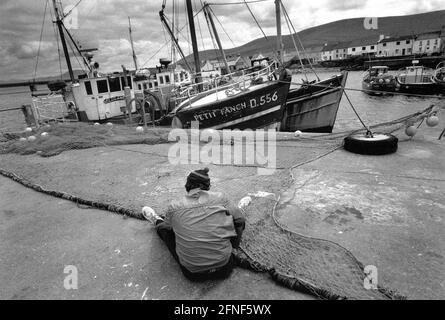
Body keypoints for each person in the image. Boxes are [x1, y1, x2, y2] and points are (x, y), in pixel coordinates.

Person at [142, 168, 245, 282]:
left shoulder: (174, 207)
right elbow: (240, 221)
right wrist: (234, 245)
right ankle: (239, 209)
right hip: (224, 268)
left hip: (193, 274)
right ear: (208, 186)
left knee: (167, 231)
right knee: (235, 219)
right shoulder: (221, 198)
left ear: (187, 185)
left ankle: (156, 220)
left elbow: (168, 227)